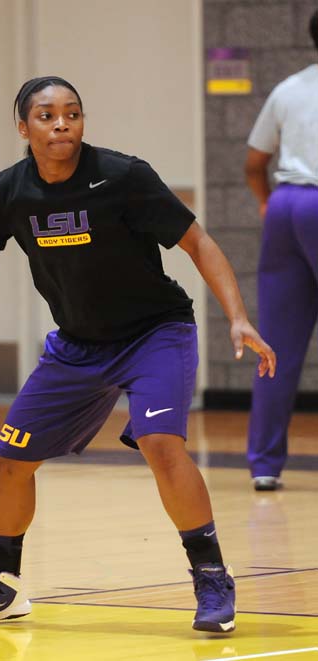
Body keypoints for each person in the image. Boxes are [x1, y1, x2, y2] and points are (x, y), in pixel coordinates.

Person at [0, 76, 276, 633]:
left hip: (153, 333)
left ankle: (211, 578)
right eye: (46, 115)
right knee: (9, 460)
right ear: (23, 127)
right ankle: (2, 586)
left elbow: (199, 242)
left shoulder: (122, 176)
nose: (61, 123)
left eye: (72, 113)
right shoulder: (10, 191)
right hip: (77, 347)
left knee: (161, 444)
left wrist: (237, 316)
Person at [244, 9, 318, 493]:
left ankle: (264, 464)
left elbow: (255, 162)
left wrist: (269, 205)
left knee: (277, 342)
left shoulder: (289, 88)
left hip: (287, 206)